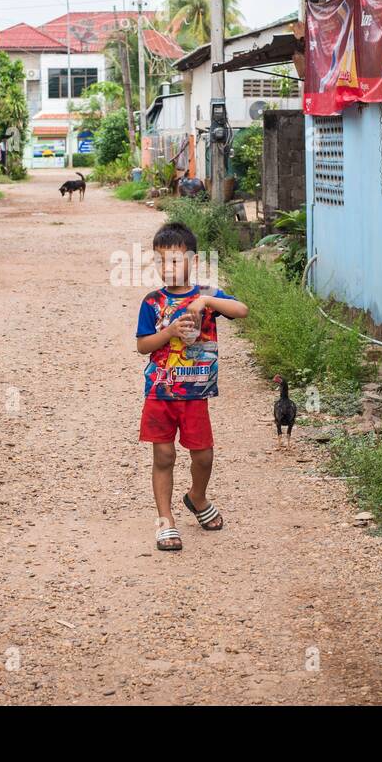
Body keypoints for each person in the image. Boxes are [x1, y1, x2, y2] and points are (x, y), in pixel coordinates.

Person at [135, 222, 249, 551]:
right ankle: (165, 520)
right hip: (160, 392)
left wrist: (206, 303)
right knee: (164, 455)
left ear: (193, 261)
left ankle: (196, 496)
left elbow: (241, 310)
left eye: (174, 261)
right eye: (160, 261)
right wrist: (169, 331)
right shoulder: (153, 303)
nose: (167, 268)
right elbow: (143, 345)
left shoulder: (207, 294)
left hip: (196, 394)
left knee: (203, 455)